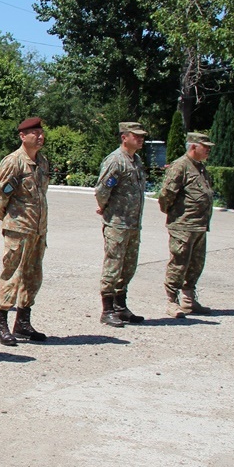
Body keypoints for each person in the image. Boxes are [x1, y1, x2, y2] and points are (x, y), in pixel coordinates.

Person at [0, 117, 51, 346]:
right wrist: (9, 220)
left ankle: (23, 323)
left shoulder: (43, 162)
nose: (40, 136)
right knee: (12, 275)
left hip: (37, 229)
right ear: (22, 136)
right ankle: (2, 325)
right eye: (34, 132)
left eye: (41, 132)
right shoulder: (14, 162)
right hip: (18, 229)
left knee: (33, 276)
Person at [94, 122, 149, 328]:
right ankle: (107, 310)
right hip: (117, 222)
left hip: (133, 223)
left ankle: (120, 306)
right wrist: (105, 208)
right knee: (113, 265)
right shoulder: (115, 161)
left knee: (128, 266)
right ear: (124, 137)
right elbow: (102, 190)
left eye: (142, 136)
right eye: (136, 136)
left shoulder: (136, 161)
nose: (140, 139)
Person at [157, 132, 216, 318]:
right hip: (183, 224)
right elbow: (166, 194)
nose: (208, 150)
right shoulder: (180, 166)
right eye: (205, 147)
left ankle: (189, 299)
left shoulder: (201, 168)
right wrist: (174, 215)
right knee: (179, 263)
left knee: (196, 263)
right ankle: (171, 301)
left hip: (199, 225)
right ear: (193, 147)